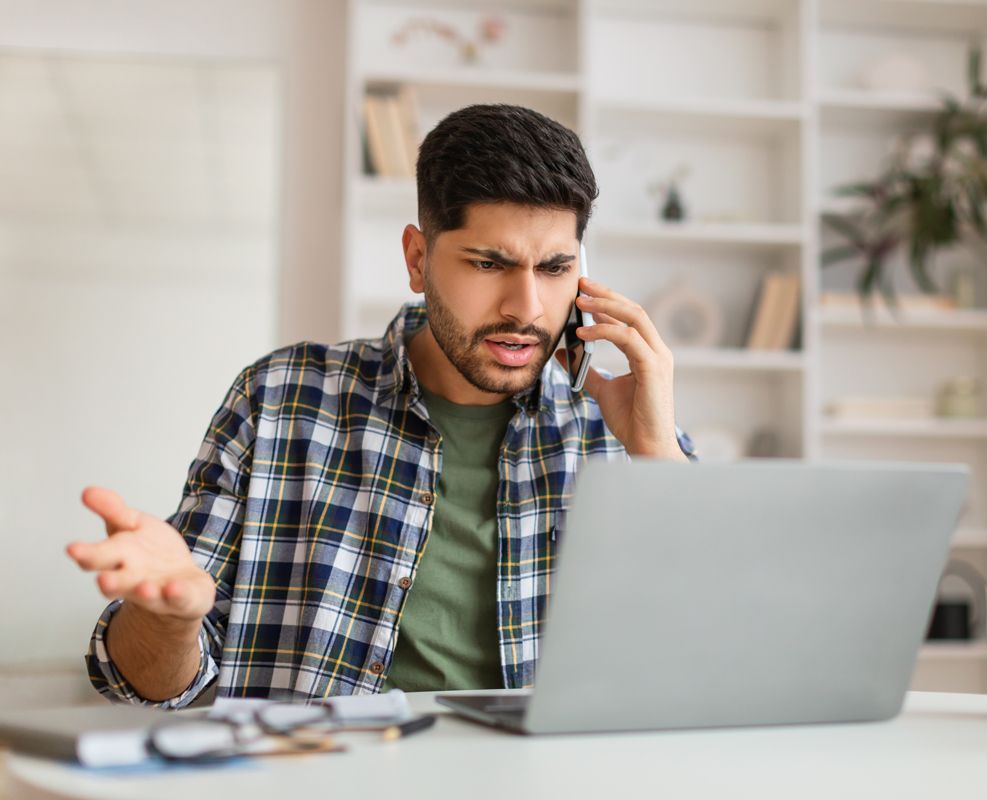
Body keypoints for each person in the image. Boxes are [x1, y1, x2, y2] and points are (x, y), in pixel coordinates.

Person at [66, 104, 695, 707]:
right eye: (488, 263)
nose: (526, 308)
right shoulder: (280, 398)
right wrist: (167, 619)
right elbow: (144, 682)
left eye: (555, 268)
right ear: (418, 259)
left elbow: (708, 659)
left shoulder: (622, 426)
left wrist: (658, 457)